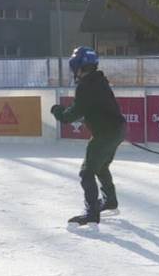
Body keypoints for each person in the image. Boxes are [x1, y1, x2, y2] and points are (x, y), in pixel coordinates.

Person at [50, 47, 124, 225]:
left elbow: (71, 115)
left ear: (78, 67)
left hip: (106, 133)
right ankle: (110, 200)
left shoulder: (86, 86)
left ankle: (92, 213)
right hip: (117, 129)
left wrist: (58, 111)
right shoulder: (100, 81)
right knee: (101, 166)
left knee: (87, 172)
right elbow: (96, 107)